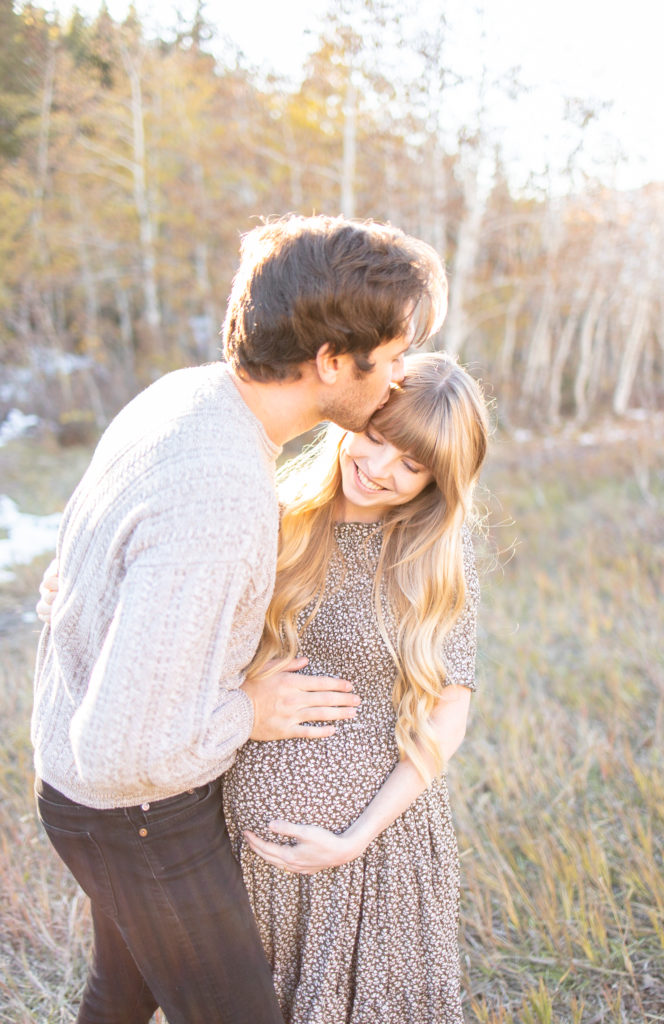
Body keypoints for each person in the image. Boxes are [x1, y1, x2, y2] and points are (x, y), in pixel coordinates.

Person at [31, 214, 447, 1024]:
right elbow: (121, 752)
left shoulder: (185, 394)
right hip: (138, 816)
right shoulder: (220, 490)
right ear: (331, 361)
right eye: (392, 357)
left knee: (120, 992)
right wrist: (246, 711)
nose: (398, 379)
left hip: (80, 795)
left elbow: (70, 577)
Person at [222, 351, 489, 1024]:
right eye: (377, 440)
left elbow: (445, 720)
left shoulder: (432, 564)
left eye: (412, 466)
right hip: (240, 852)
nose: (380, 471)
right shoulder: (271, 515)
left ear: (437, 481)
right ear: (353, 416)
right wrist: (243, 701)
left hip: (372, 857)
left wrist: (356, 836)